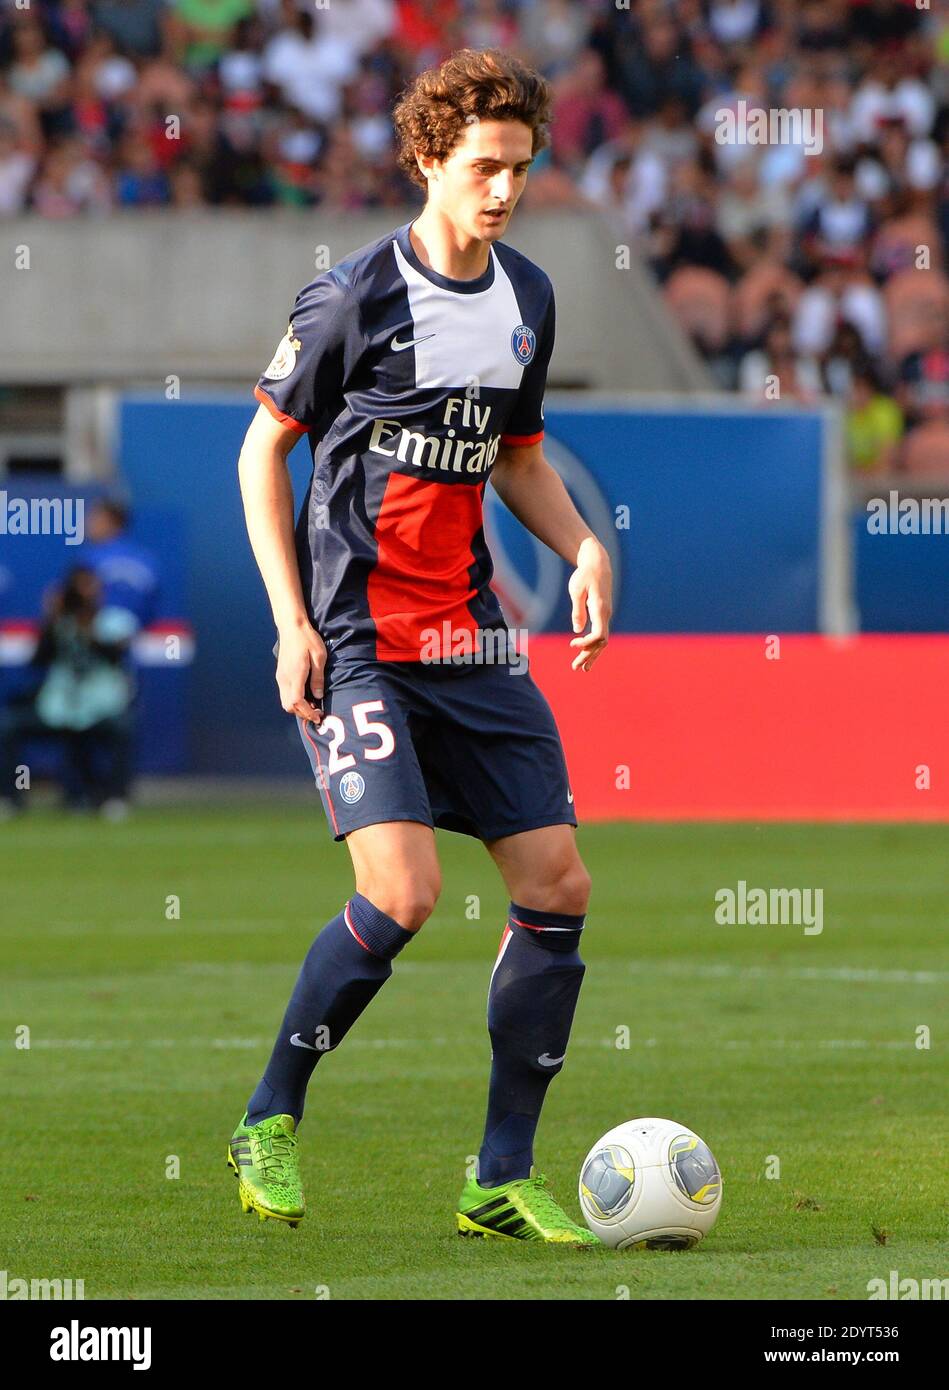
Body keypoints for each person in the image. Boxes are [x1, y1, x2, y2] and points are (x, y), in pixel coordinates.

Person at [233, 46, 612, 1243]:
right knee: (401, 890)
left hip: (470, 641)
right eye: (483, 167)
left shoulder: (529, 301)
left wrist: (585, 544)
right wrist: (293, 623)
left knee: (557, 886)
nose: (503, 190)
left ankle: (498, 1176)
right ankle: (268, 1114)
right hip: (357, 639)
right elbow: (261, 454)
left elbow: (519, 458)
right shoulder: (352, 298)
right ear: (427, 161)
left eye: (520, 168)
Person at [0, 566, 136, 818]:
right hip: (58, 706)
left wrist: (87, 628)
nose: (84, 595)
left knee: (123, 727)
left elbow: (115, 656)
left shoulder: (115, 619)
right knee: (7, 725)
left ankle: (115, 798)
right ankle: (9, 797)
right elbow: (37, 662)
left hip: (101, 705)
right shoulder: (60, 622)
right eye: (79, 588)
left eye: (90, 587)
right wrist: (51, 620)